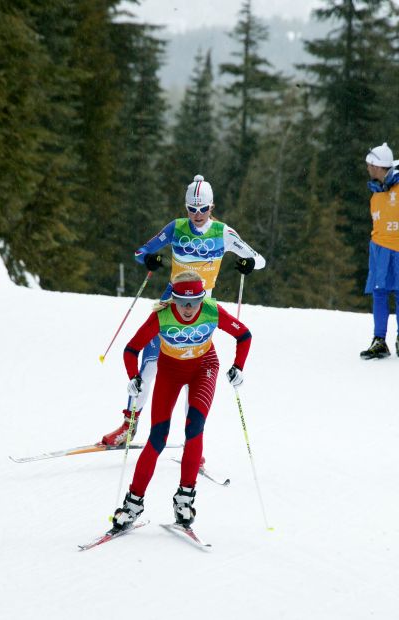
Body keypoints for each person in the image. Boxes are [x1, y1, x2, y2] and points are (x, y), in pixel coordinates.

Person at [101, 174, 265, 446]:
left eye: (203, 209)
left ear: (212, 207)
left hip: (203, 307)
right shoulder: (176, 227)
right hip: (172, 301)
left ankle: (193, 441)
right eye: (192, 209)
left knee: (195, 372)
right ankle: (128, 426)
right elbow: (141, 251)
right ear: (186, 207)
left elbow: (259, 260)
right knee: (150, 363)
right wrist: (149, 259)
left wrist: (249, 264)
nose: (197, 214)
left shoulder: (223, 233)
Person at [111, 271, 252, 530]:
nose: (189, 308)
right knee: (158, 437)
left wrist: (238, 367)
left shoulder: (212, 310)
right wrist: (133, 377)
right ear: (173, 299)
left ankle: (184, 500)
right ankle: (133, 504)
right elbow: (131, 349)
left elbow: (244, 335)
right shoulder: (161, 316)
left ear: (202, 299)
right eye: (182, 302)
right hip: (170, 371)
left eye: (195, 301)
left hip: (204, 367)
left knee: (194, 427)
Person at [360, 142, 399, 360]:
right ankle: (379, 340)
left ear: (377, 166)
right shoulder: (376, 192)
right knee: (379, 294)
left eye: (369, 165)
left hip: (398, 248)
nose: (367, 168)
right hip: (379, 249)